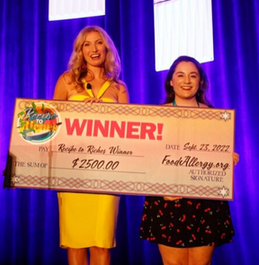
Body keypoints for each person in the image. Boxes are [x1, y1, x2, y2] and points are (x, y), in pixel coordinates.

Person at [139, 55, 239, 265]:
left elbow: (216, 159)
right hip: (167, 201)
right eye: (180, 75)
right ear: (170, 81)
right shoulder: (157, 116)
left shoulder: (215, 117)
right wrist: (161, 189)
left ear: (200, 81)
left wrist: (227, 159)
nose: (187, 81)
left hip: (205, 203)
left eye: (193, 76)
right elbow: (145, 161)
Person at [53, 26, 129, 265]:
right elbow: (50, 125)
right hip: (73, 171)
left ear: (106, 48)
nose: (93, 49)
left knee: (101, 242)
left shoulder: (119, 88)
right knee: (75, 242)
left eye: (98, 43)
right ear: (80, 51)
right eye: (87, 44)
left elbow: (129, 134)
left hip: (107, 172)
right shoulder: (66, 81)